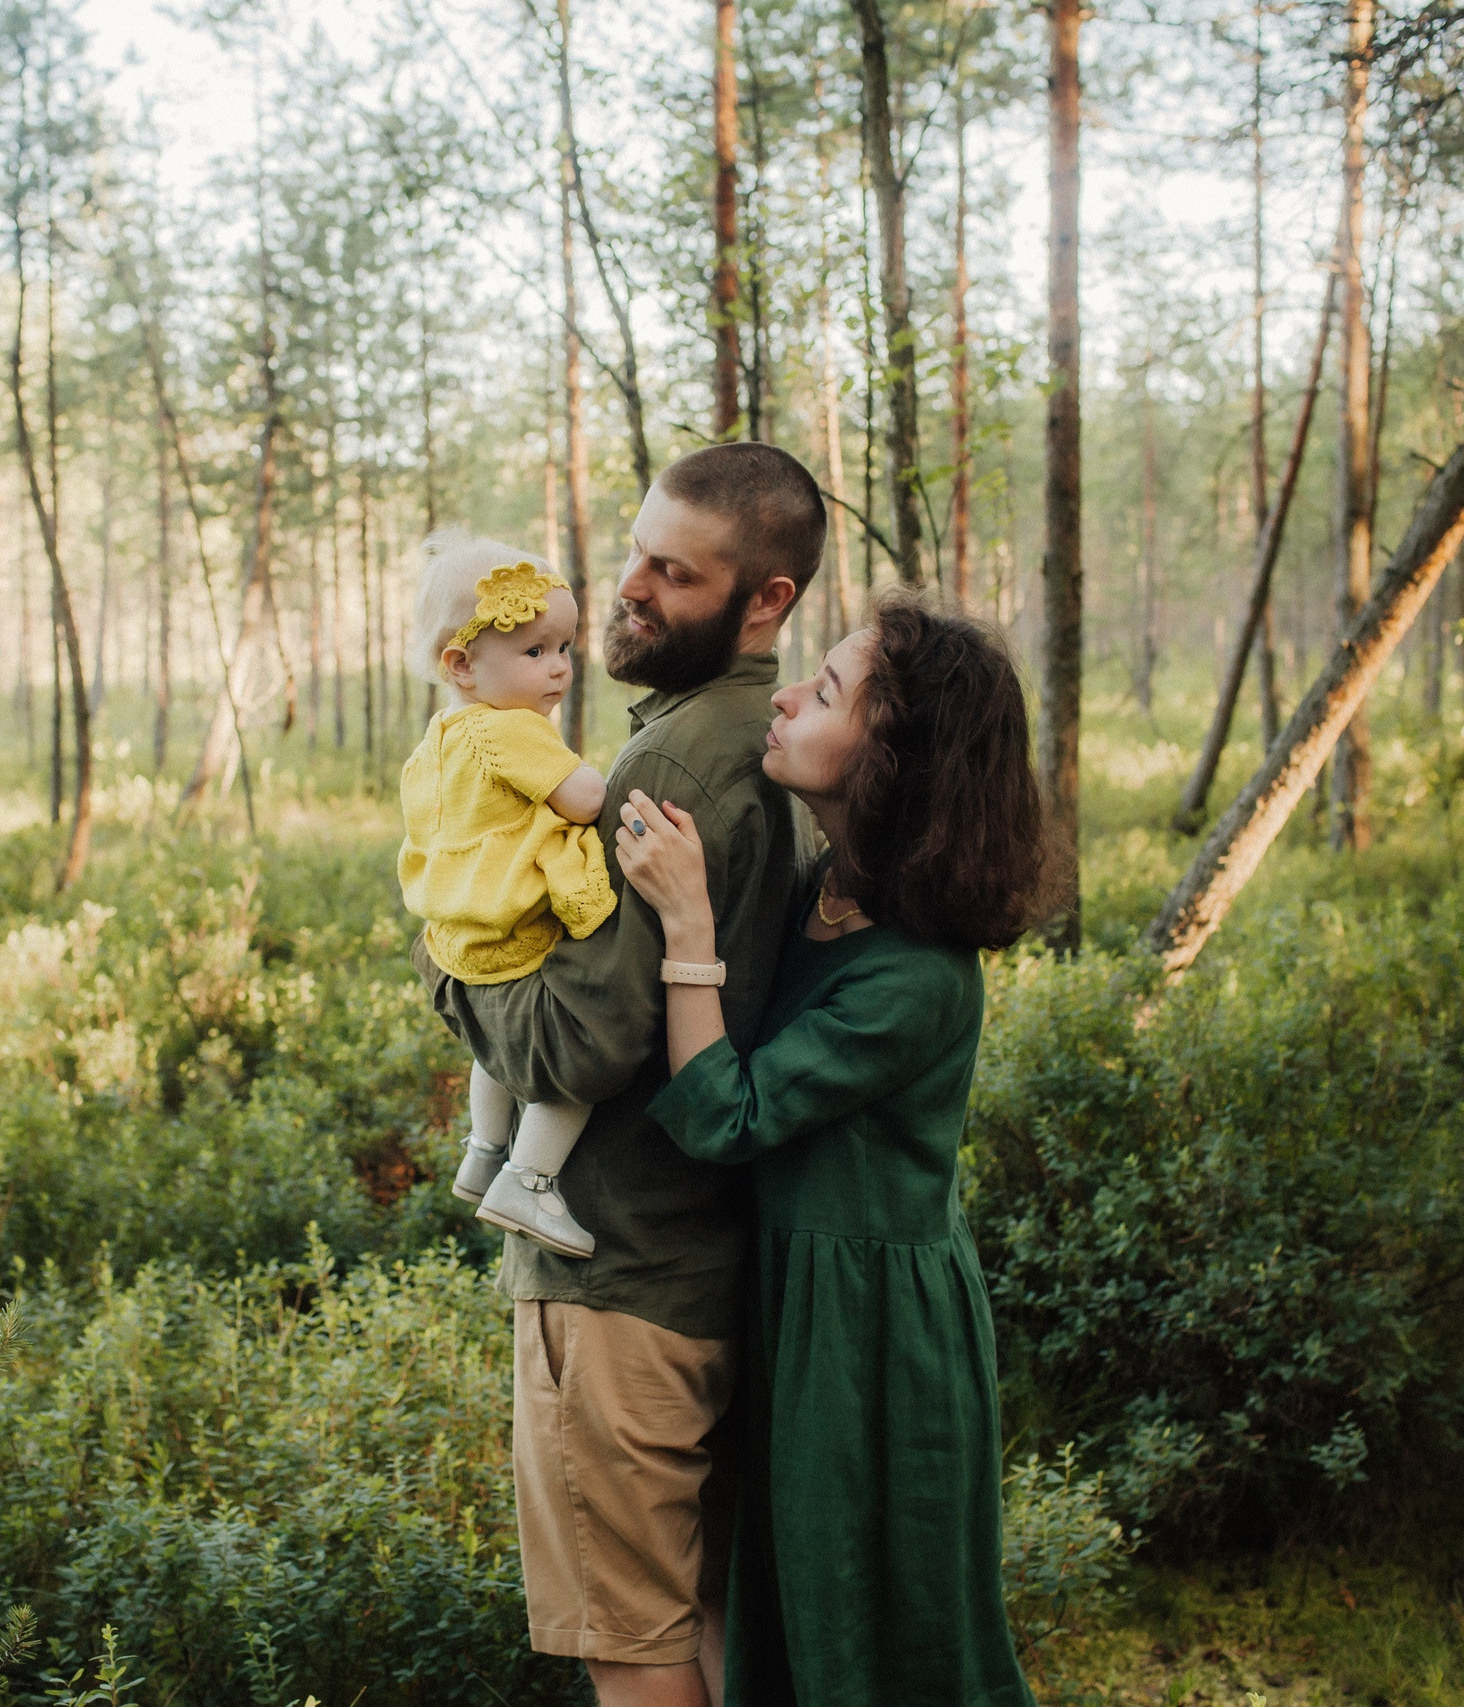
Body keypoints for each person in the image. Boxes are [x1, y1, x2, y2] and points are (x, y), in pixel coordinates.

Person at [419, 442, 826, 1707]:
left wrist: (449, 966)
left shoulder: (670, 769)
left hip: (618, 1282)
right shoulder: (773, 741)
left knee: (633, 1645)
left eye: (676, 571)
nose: (633, 587)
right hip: (703, 1263)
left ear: (766, 600)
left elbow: (584, 1044)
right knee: (703, 1621)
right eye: (638, 551)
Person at [614, 597, 1045, 1707]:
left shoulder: (918, 974)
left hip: (876, 1338)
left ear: (894, 757)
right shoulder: (821, 896)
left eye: (832, 690)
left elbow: (729, 1118)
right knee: (773, 1595)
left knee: (874, 1611)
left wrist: (689, 929)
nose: (792, 693)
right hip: (788, 1300)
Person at [398, 534, 617, 1258]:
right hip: (519, 939)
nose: (557, 669)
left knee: (494, 1051)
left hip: (462, 944)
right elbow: (584, 798)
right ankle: (529, 1178)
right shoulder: (509, 730)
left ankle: (484, 1149)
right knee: (569, 1060)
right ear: (461, 664)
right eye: (534, 652)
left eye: (563, 647)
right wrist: (619, 782)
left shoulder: (440, 737)